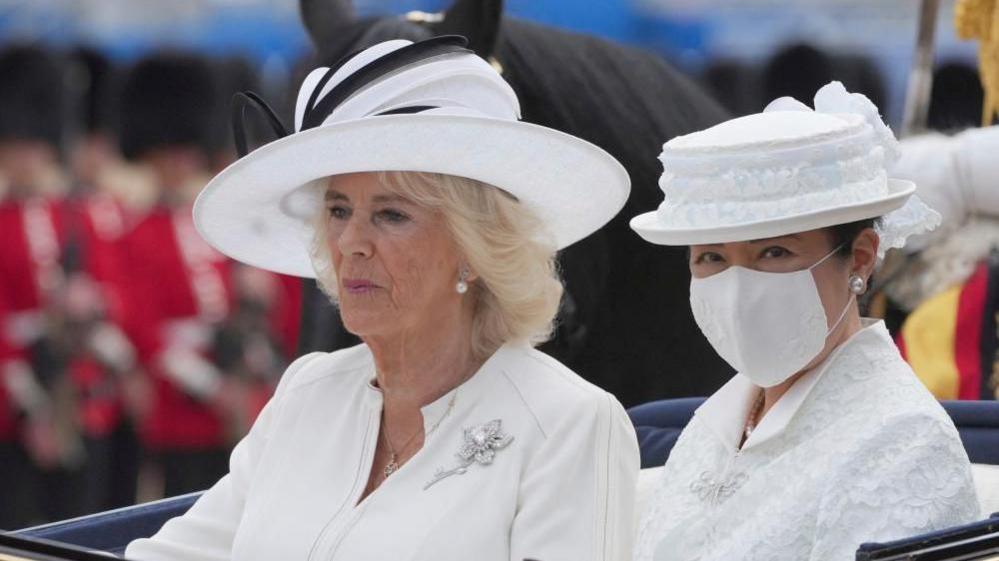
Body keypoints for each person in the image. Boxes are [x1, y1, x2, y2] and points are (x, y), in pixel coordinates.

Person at [125, 36, 638, 561]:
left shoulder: (567, 423)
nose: (351, 243)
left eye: (391, 215)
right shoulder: (308, 392)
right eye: (339, 210)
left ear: (474, 248)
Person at [630, 81, 980, 561]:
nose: (737, 288)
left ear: (859, 259)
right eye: (711, 257)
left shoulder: (901, 441)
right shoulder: (714, 424)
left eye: (775, 252)